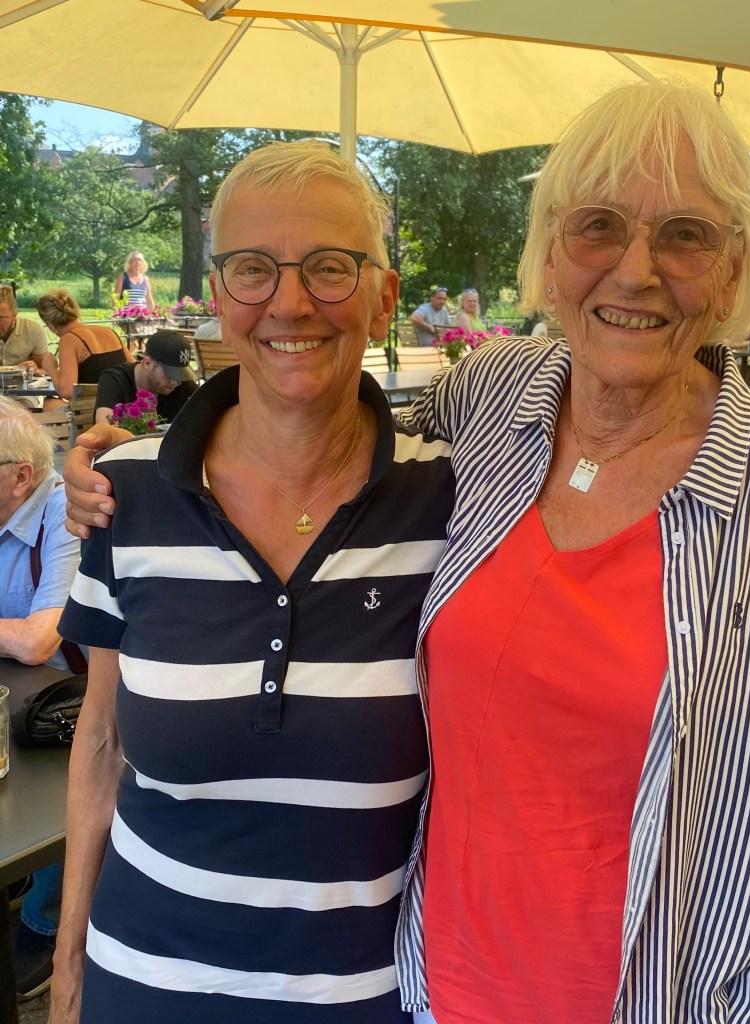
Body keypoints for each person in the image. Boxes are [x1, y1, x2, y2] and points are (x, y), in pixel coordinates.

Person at [64, 81, 750, 1024]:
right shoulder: (492, 404)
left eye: (685, 236)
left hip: (649, 995)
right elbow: (320, 432)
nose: (635, 270)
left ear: (732, 271)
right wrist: (121, 468)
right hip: (429, 989)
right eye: (598, 226)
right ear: (552, 253)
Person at [52, 140, 453, 1024]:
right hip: (142, 989)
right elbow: (102, 744)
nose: (290, 302)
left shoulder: (454, 501)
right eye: (252, 269)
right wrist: (69, 974)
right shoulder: (127, 495)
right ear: (218, 298)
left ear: (386, 295)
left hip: (369, 998)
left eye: (330, 267)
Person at [0, 397, 86, 1002]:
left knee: (56, 800)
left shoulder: (65, 514)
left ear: (19, 476)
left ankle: (47, 919)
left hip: (70, 705)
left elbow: (38, 642)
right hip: (14, 694)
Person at [35, 289, 132, 400]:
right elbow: (133, 369)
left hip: (92, 407)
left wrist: (52, 370)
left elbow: (67, 392)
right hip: (123, 404)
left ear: (49, 324)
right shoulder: (109, 332)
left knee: (50, 402)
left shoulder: (69, 340)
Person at [93, 330, 197, 425]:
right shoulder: (115, 379)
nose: (177, 382)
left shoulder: (182, 383)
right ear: (147, 363)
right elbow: (104, 428)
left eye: (180, 374)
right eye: (171, 373)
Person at [0, 284, 57, 376]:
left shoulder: (32, 330)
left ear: (14, 314)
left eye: (1, 317)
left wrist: (34, 370)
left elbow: (46, 369)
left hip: (23, 383)